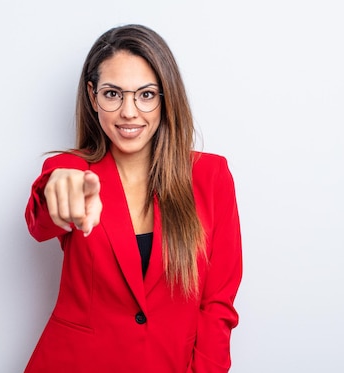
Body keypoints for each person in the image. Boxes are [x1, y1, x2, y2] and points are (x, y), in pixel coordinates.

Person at [24, 24, 242, 373]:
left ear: (164, 98)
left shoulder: (210, 177)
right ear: (93, 96)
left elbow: (218, 304)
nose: (129, 111)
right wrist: (59, 185)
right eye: (113, 94)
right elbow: (40, 222)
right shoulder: (72, 170)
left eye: (145, 94)